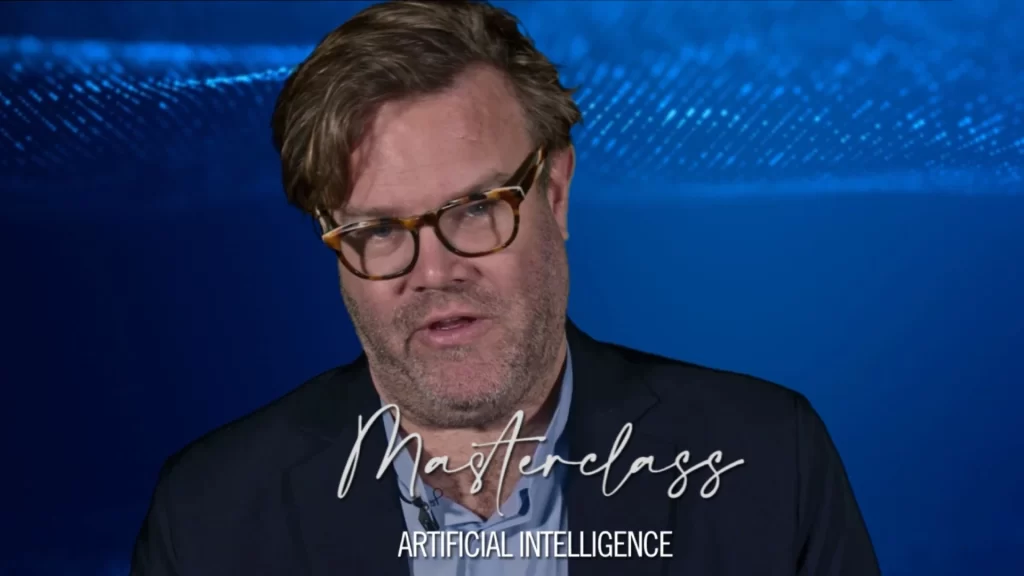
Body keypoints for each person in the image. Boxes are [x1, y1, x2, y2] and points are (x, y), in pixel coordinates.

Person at [131, 1, 880, 575]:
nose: (434, 272)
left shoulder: (767, 462)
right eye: (379, 230)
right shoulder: (208, 519)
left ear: (555, 191)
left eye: (475, 209)